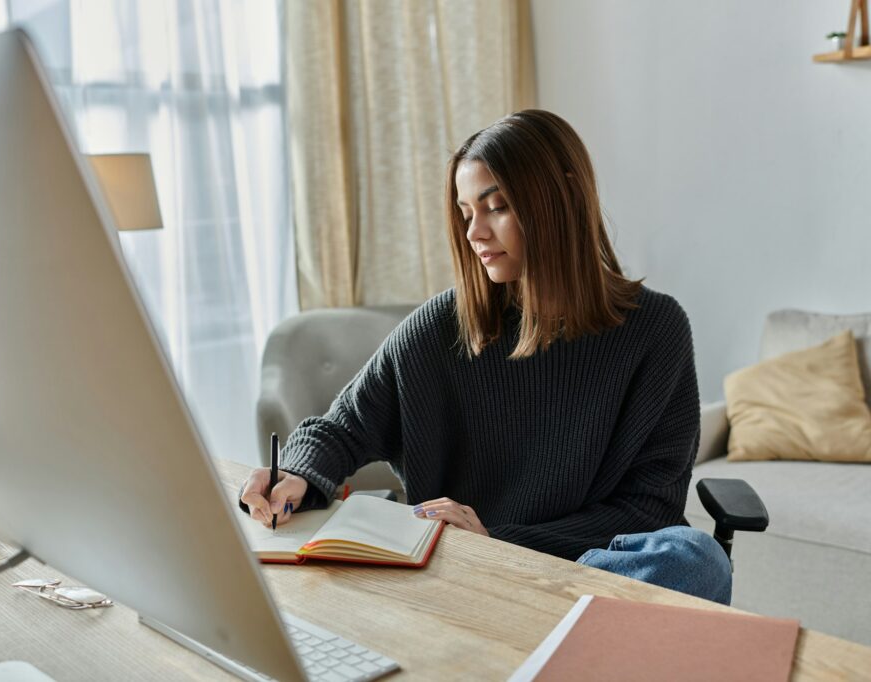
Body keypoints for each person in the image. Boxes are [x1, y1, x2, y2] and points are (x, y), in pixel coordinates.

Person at [239, 109, 731, 605]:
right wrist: (296, 473)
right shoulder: (443, 325)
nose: (474, 233)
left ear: (560, 199)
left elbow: (649, 509)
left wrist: (503, 541)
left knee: (693, 558)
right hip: (464, 569)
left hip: (585, 569)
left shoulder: (657, 330)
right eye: (466, 212)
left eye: (495, 207)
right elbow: (342, 428)